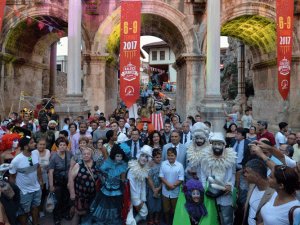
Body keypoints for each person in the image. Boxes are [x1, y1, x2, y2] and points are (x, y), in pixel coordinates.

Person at [200, 132, 236, 225]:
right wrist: (205, 189)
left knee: (226, 218)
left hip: (225, 193)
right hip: (210, 193)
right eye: (215, 144)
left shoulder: (230, 157)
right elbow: (203, 175)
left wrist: (230, 185)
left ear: (224, 145)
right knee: (211, 217)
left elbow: (232, 175)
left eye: (219, 144)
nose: (217, 146)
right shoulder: (205, 157)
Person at [9, 136, 42, 225]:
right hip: (24, 191)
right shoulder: (16, 160)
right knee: (24, 212)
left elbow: (38, 167)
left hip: (36, 188)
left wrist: (40, 181)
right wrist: (15, 191)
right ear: (26, 146)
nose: (35, 144)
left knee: (36, 208)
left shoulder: (36, 153)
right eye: (32, 142)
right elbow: (11, 177)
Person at [68, 147, 97, 225]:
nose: (86, 155)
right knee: (78, 213)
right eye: (84, 154)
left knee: (90, 213)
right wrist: (72, 193)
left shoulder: (95, 164)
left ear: (91, 155)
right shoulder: (78, 164)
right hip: (81, 196)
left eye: (88, 154)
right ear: (82, 155)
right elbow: (71, 179)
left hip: (93, 195)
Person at [242, 159, 274, 225]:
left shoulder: (274, 195)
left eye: (247, 172)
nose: (244, 174)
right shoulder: (252, 185)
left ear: (257, 176)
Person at [126, 145, 153, 225]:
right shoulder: (132, 169)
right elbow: (132, 187)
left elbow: (143, 186)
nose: (144, 159)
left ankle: (134, 222)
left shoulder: (144, 169)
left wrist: (142, 199)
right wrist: (137, 202)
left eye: (146, 157)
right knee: (128, 220)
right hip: (130, 198)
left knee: (144, 213)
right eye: (142, 156)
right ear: (139, 156)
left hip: (139, 197)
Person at [48, 137, 73, 225]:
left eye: (64, 145)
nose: (62, 146)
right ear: (57, 146)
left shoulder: (69, 154)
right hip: (57, 181)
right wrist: (51, 185)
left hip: (67, 180)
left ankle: (65, 213)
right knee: (57, 200)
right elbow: (50, 172)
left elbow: (72, 166)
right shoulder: (54, 156)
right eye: (60, 145)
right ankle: (57, 216)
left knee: (66, 198)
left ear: (67, 146)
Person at [159, 147, 184, 225]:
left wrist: (173, 185)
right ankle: (167, 222)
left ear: (175, 156)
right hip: (165, 191)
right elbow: (161, 176)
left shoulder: (180, 165)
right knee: (166, 210)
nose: (170, 157)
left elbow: (181, 178)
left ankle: (174, 222)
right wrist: (168, 185)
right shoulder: (163, 164)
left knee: (174, 210)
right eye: (169, 155)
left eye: (172, 155)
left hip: (175, 191)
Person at [147, 148, 162, 225]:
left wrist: (158, 188)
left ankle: (156, 219)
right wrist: (154, 189)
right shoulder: (150, 165)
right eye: (157, 157)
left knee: (158, 205)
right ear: (153, 157)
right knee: (151, 204)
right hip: (151, 188)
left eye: (160, 157)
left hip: (160, 188)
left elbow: (164, 178)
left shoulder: (163, 165)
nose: (159, 158)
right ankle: (151, 219)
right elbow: (149, 178)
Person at [36, 138, 51, 217]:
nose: (42, 146)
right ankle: (34, 212)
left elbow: (50, 164)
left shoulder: (48, 152)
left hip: (45, 176)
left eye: (43, 144)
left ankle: (41, 209)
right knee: (35, 195)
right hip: (35, 178)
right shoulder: (33, 153)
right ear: (37, 145)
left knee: (43, 194)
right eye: (40, 144)